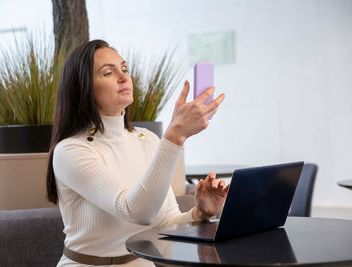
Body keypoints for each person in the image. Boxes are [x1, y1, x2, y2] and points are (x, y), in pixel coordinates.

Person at [46, 39, 227, 267]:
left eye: (124, 69)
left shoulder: (147, 139)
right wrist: (175, 136)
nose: (124, 77)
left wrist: (198, 214)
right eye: (108, 73)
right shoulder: (71, 150)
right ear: (83, 87)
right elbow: (136, 211)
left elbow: (165, 222)